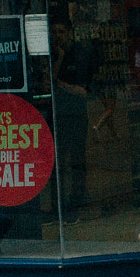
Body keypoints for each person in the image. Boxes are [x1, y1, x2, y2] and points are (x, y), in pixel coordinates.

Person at [49, 15, 96, 217]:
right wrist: (58, 59)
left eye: (61, 31)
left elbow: (86, 91)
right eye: (54, 32)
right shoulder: (53, 55)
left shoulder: (81, 54)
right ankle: (57, 204)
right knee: (56, 161)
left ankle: (76, 201)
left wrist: (62, 86)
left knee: (76, 161)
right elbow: (46, 83)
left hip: (76, 115)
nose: (57, 36)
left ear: (69, 32)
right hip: (57, 114)